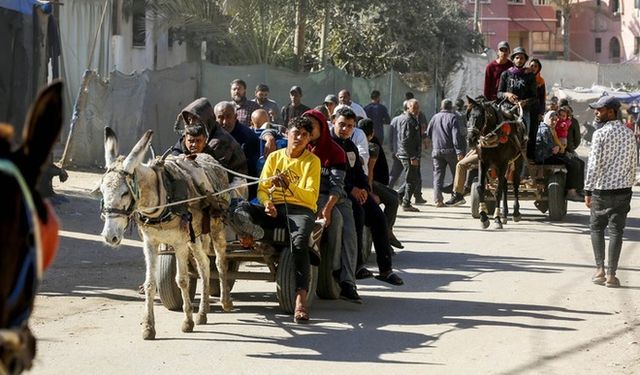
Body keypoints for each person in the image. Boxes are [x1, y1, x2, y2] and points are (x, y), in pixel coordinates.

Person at [244, 116, 321, 322]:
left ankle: (300, 300)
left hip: (300, 210)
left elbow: (311, 196)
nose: (299, 138)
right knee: (241, 209)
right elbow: (262, 188)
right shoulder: (275, 157)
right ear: (287, 133)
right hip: (274, 208)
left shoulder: (313, 161)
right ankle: (253, 237)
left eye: (305, 135)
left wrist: (288, 185)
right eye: (296, 133)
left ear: (308, 140)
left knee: (299, 244)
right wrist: (267, 203)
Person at [330, 107, 404, 286]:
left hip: (356, 191)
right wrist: (352, 189)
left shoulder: (350, 145)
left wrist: (363, 188)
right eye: (341, 125)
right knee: (357, 216)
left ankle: (385, 270)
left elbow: (358, 172)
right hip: (337, 192)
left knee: (379, 218)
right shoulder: (329, 144)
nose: (345, 129)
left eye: (349, 126)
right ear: (334, 122)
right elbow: (332, 175)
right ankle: (355, 266)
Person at [303, 109, 361, 303]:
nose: (308, 130)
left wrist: (327, 208)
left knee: (346, 228)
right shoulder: (298, 146)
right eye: (305, 125)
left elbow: (337, 186)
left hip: (334, 197)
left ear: (322, 127)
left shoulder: (335, 151)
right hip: (304, 197)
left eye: (312, 126)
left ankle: (344, 279)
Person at [584, 96, 637, 288]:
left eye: (600, 109)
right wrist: (629, 184)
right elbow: (633, 163)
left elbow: (593, 165)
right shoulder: (629, 133)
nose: (596, 112)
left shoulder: (600, 134)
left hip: (601, 190)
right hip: (623, 190)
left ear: (611, 112)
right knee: (616, 232)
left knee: (597, 228)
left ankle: (600, 271)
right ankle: (612, 276)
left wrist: (588, 190)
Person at [357, 118, 403, 249]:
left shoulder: (371, 144)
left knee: (394, 196)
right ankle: (386, 233)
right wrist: (370, 193)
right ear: (371, 133)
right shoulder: (368, 145)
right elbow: (369, 172)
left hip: (372, 182)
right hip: (365, 183)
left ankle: (388, 231)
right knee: (393, 200)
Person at [175, 98, 248, 176]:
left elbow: (207, 169)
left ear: (206, 119)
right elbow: (176, 152)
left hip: (233, 182)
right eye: (189, 119)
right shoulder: (192, 134)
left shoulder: (220, 141)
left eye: (195, 118)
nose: (191, 122)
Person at [497, 46, 538, 160]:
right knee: (498, 134)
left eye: (522, 58)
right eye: (517, 57)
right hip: (506, 110)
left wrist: (524, 102)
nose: (519, 60)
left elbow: (535, 97)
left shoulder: (530, 76)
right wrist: (507, 95)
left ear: (525, 60)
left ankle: (521, 163)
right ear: (513, 59)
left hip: (522, 111)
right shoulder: (505, 74)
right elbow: (499, 93)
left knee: (524, 138)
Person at [214, 101, 261, 197]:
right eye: (221, 117)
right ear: (215, 118)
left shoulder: (248, 138)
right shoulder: (210, 134)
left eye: (228, 117)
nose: (225, 122)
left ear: (235, 117)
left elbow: (250, 173)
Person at [534, 111, 584, 202]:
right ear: (546, 118)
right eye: (552, 120)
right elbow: (551, 148)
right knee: (573, 164)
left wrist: (558, 148)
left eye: (556, 120)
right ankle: (571, 192)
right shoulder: (544, 129)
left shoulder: (549, 128)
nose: (554, 122)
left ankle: (578, 190)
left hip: (550, 154)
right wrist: (556, 148)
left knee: (578, 162)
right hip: (545, 157)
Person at [426, 99, 465, 207]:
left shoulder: (435, 117)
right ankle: (455, 196)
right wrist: (459, 151)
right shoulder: (453, 117)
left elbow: (428, 133)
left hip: (437, 151)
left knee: (438, 175)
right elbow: (455, 136)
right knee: (456, 175)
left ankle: (438, 200)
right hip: (451, 152)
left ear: (441, 106)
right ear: (451, 107)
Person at [395, 98, 424, 211]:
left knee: (413, 178)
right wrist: (412, 156)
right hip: (408, 155)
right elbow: (405, 141)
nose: (416, 109)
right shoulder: (408, 120)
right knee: (412, 179)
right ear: (408, 108)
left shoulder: (413, 119)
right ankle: (406, 203)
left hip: (410, 154)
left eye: (418, 107)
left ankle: (399, 195)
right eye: (414, 107)